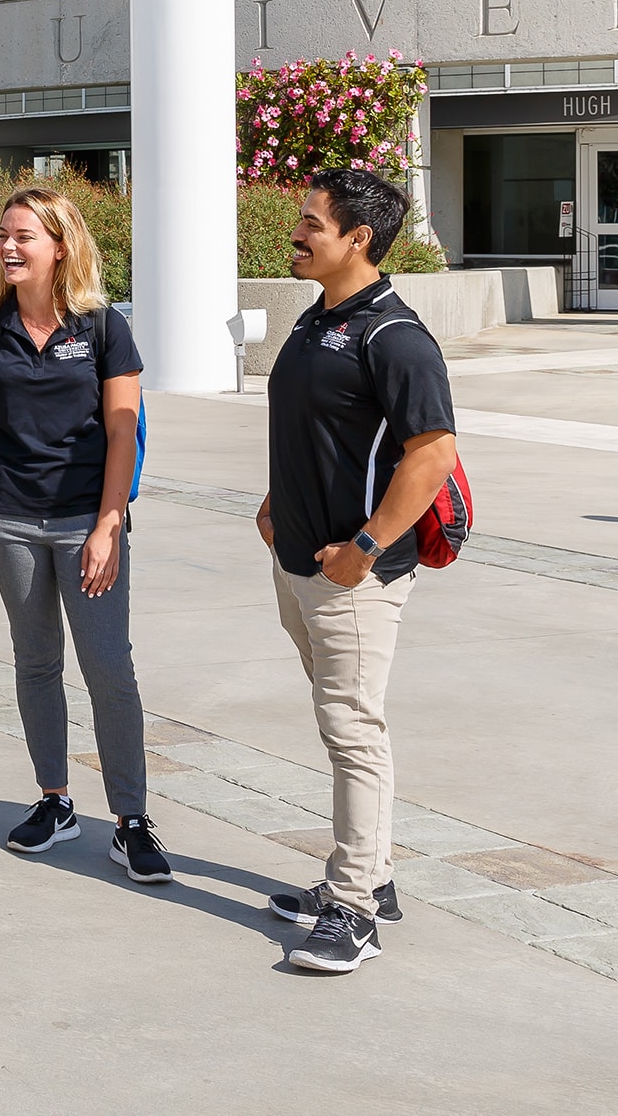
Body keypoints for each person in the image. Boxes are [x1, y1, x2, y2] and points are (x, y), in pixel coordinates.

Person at [257, 168, 458, 974]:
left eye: (312, 223)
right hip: (300, 561)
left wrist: (366, 548)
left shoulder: (395, 337)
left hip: (356, 577)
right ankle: (371, 872)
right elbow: (319, 430)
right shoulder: (320, 319)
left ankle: (353, 909)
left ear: (358, 240)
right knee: (340, 719)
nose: (297, 233)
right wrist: (278, 500)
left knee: (351, 730)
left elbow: (433, 455)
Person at [0, 187, 172, 885]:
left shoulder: (103, 328)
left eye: (25, 237)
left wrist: (108, 523)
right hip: (8, 516)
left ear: (60, 245)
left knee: (108, 666)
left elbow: (122, 431)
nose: (9, 247)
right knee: (35, 660)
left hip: (85, 521)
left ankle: (130, 818)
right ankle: (54, 799)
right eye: (5, 236)